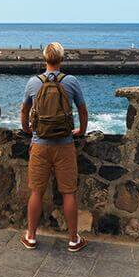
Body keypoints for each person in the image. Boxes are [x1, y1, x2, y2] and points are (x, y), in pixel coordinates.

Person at [20, 42, 89, 252]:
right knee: (68, 192)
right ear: (61, 59)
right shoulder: (71, 81)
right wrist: (81, 131)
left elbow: (24, 110)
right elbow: (83, 111)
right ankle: (73, 240)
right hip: (65, 145)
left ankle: (31, 237)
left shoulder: (33, 82)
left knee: (36, 192)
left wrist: (27, 129)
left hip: (40, 145)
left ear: (45, 58)